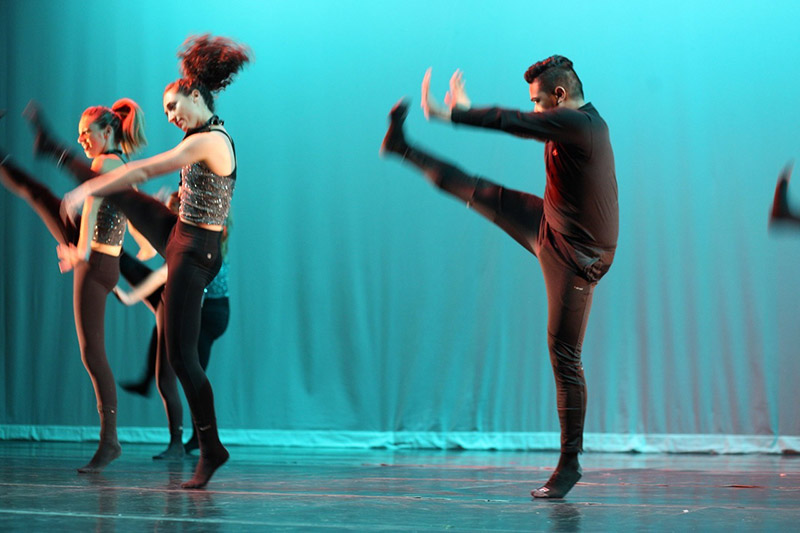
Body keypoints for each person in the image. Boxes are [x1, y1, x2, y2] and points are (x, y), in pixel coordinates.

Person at [381, 56, 618, 499]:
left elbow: (513, 123)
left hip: (579, 259)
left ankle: (569, 465)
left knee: (564, 353)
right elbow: (520, 121)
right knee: (474, 189)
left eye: (537, 101)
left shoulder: (582, 126)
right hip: (550, 227)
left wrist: (454, 112)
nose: (533, 109)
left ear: (561, 97)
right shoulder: (569, 123)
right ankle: (401, 147)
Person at [29, 34, 250, 489]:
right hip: (179, 233)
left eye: (174, 106)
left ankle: (212, 449)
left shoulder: (208, 140)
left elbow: (148, 167)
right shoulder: (203, 134)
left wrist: (85, 191)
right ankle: (54, 149)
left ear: (195, 95)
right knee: (121, 193)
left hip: (194, 251)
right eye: (166, 110)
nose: (170, 116)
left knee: (182, 358)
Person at [0, 99, 147, 473]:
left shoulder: (104, 165)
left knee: (92, 353)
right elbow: (117, 214)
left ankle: (110, 441)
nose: (82, 140)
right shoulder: (118, 164)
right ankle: (109, 441)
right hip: (101, 259)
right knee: (37, 194)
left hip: (94, 262)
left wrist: (76, 255)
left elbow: (96, 211)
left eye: (87, 133)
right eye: (78, 134)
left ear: (108, 132)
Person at [116, 195, 232, 456]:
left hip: (208, 314)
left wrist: (131, 296)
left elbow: (162, 273)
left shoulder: (198, 244)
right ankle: (190, 440)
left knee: (187, 375)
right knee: (182, 367)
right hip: (206, 308)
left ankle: (183, 442)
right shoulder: (204, 238)